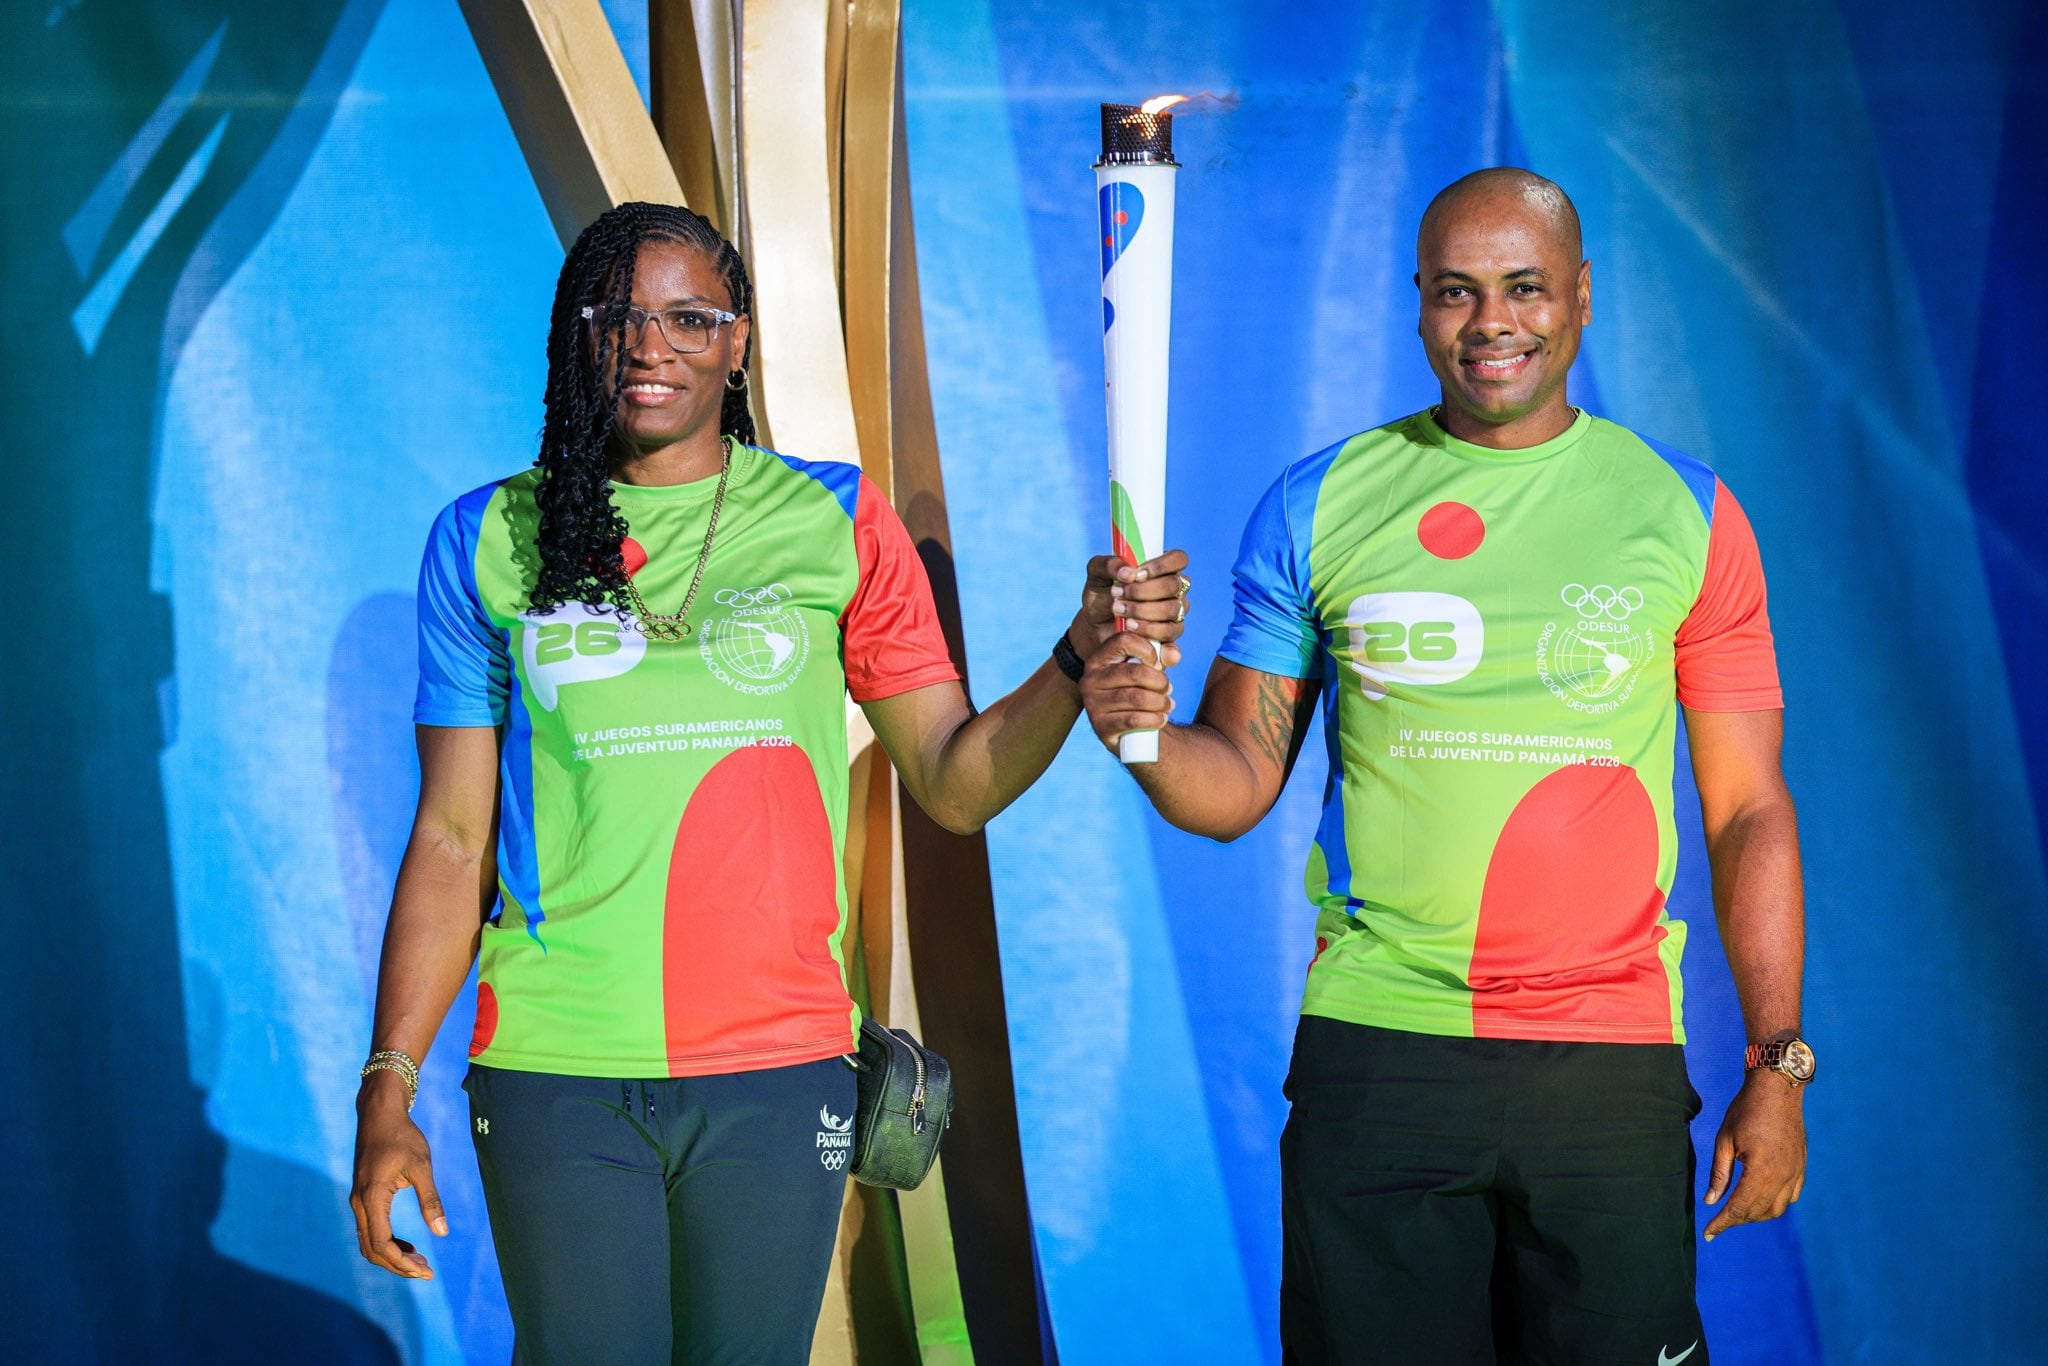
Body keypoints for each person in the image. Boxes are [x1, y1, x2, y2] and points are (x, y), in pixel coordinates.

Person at [348, 200, 1188, 1363]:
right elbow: (449, 839)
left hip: (779, 1065)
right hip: (555, 1062)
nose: (652, 346)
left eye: (689, 317)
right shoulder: (490, 534)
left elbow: (952, 782)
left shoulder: (832, 518)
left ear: (737, 339)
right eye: (619, 315)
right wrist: (387, 1079)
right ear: (574, 333)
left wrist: (1072, 654)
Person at [1076, 168, 1812, 1365]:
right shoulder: (1318, 504)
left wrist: (1776, 1063)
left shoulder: (1685, 513)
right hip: (1381, 1059)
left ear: (1579, 296)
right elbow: (1232, 787)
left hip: (1604, 1071)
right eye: (1455, 293)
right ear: (1415, 302)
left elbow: (1746, 813)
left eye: (1523, 288)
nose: (1491, 324)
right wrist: (1138, 731)